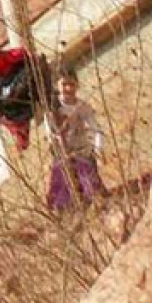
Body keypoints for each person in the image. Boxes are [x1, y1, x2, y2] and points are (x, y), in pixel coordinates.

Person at [46, 73, 106, 211]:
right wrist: (60, 149)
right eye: (64, 84)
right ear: (57, 86)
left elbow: (97, 129)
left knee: (90, 187)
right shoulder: (52, 109)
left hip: (82, 151)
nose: (68, 88)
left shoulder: (82, 107)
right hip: (62, 154)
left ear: (77, 86)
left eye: (71, 84)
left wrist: (98, 149)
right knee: (60, 193)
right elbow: (51, 135)